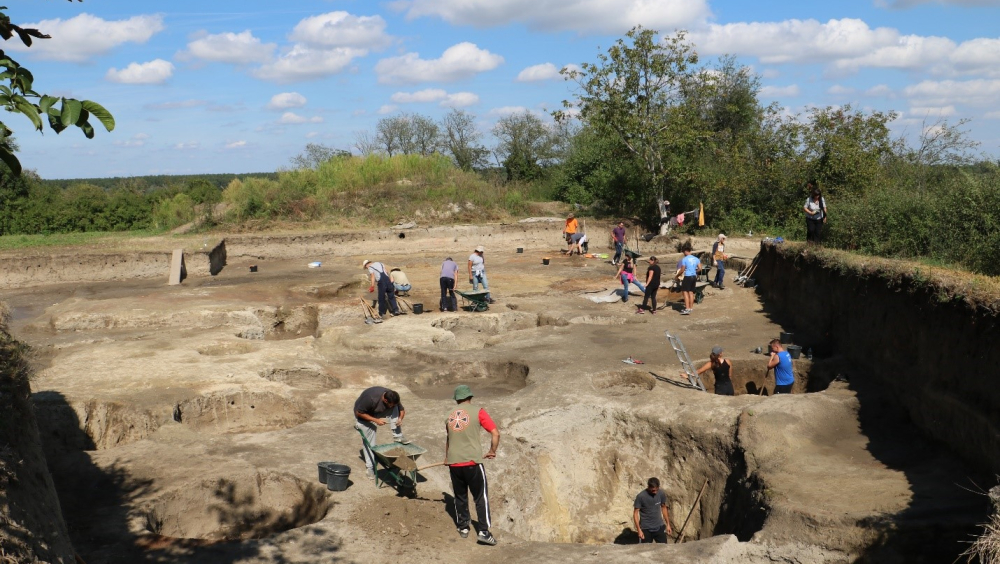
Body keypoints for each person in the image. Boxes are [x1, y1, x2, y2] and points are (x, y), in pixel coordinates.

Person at [445, 384, 500, 546]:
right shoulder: (479, 411)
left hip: (454, 463)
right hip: (472, 462)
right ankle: (483, 532)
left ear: (457, 400)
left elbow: (449, 439)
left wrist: (447, 458)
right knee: (480, 497)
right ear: (470, 397)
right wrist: (492, 450)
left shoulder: (448, 415)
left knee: (460, 495)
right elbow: (495, 433)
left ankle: (463, 527)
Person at [354, 387, 409, 479]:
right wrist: (375, 420)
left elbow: (401, 410)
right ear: (385, 400)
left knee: (396, 409)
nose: (392, 406)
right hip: (365, 415)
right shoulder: (370, 398)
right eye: (390, 405)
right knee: (369, 443)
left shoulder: (393, 397)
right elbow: (359, 413)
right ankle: (370, 468)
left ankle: (398, 436)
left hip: (379, 411)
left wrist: (400, 419)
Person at [633, 477, 672, 543]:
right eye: (653, 490)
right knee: (645, 551)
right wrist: (639, 530)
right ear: (648, 487)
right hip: (646, 529)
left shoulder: (661, 493)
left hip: (659, 527)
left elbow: (663, 507)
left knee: (664, 549)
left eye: (657, 490)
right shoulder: (641, 497)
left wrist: (668, 524)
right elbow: (635, 514)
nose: (655, 492)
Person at [676, 244, 700, 315]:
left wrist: (677, 275)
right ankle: (691, 308)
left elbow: (682, 269)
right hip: (694, 276)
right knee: (691, 292)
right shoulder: (696, 259)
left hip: (688, 276)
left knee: (685, 292)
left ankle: (687, 308)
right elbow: (700, 268)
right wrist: (695, 272)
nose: (683, 253)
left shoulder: (685, 259)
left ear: (686, 251)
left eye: (683, 252)